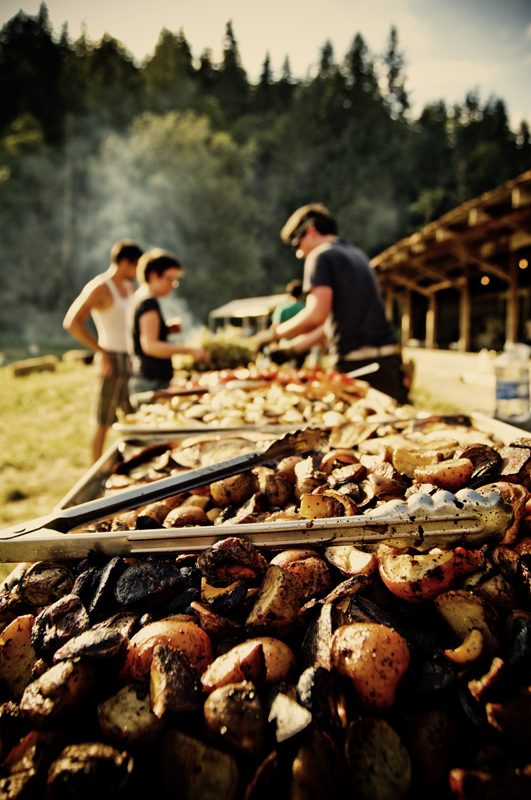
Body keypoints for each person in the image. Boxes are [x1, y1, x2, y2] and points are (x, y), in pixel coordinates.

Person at [264, 203, 409, 403]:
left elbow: (316, 314)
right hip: (387, 360)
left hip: (357, 364)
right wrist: (293, 350)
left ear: (310, 231)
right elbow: (331, 325)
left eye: (298, 244)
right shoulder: (357, 255)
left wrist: (273, 334)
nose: (300, 253)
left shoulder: (320, 256)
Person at [63, 239, 144, 463]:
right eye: (137, 265)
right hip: (112, 357)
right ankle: (94, 475)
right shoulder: (100, 287)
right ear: (126, 262)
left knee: (132, 417)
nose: (139, 271)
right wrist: (101, 351)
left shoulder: (129, 288)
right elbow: (72, 322)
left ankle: (136, 463)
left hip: (130, 358)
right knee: (103, 420)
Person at [127, 248, 210, 402]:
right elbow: (150, 346)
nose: (173, 285)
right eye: (170, 279)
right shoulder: (148, 303)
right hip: (151, 382)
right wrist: (189, 351)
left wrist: (165, 329)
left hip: (146, 380)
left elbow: (142, 334)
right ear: (153, 276)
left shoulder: (139, 298)